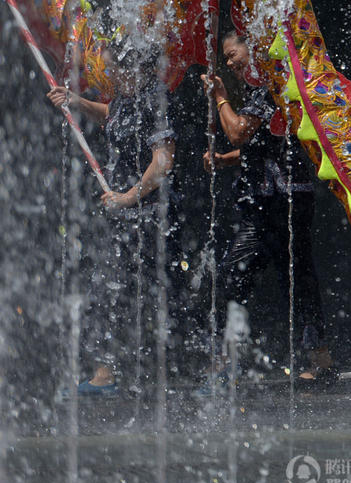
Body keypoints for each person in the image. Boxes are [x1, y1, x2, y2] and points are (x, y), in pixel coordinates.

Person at [48, 41, 181, 396]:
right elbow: (111, 115)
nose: (107, 74)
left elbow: (163, 161)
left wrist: (126, 197)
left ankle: (114, 374)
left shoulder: (155, 101)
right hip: (128, 218)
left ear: (134, 68)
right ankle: (110, 372)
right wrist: (76, 102)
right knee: (113, 290)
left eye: (113, 68)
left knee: (124, 290)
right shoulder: (124, 97)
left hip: (151, 216)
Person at [202, 32, 333, 385]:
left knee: (284, 278)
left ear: (253, 48)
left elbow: (239, 132)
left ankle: (315, 360)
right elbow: (258, 146)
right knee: (246, 277)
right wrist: (225, 160)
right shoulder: (263, 89)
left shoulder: (270, 87)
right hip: (267, 199)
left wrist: (219, 98)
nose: (230, 63)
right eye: (226, 59)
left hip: (283, 201)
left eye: (233, 55)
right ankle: (231, 359)